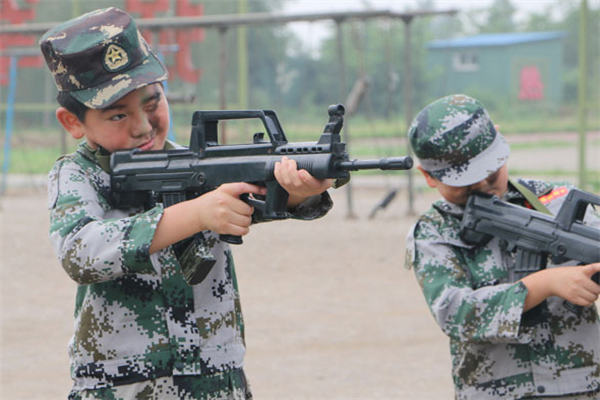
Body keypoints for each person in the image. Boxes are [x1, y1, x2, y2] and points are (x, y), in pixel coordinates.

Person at [40, 7, 333, 400]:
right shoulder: (77, 174)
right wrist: (195, 214)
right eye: (117, 115)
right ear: (72, 122)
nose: (143, 126)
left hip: (214, 375)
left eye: (152, 103)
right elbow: (81, 252)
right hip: (124, 384)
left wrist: (299, 191)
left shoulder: (194, 162)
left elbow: (257, 201)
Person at [404, 94, 600, 400]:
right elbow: (456, 312)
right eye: (465, 183)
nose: (483, 187)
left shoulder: (555, 202)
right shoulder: (433, 230)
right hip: (494, 392)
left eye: (491, 173)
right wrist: (544, 285)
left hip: (580, 386)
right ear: (428, 176)